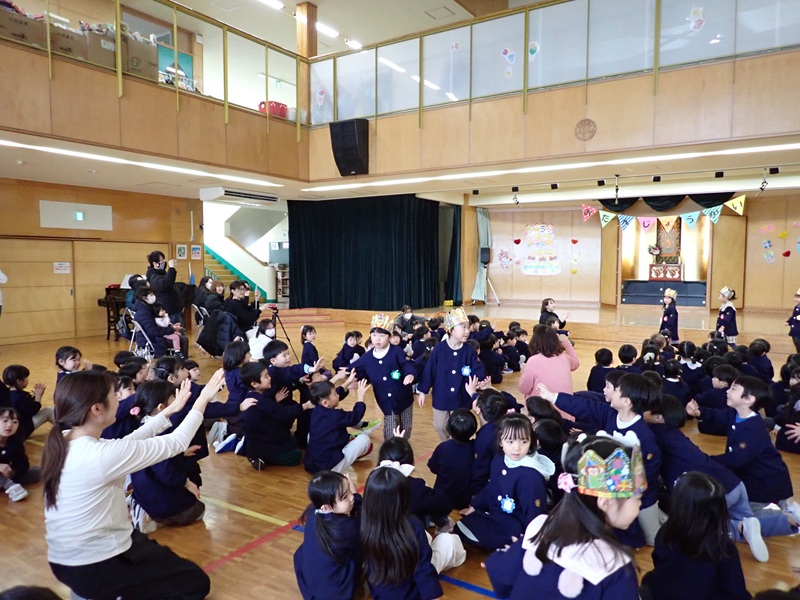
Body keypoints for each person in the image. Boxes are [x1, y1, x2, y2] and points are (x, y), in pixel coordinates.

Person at [42, 368, 225, 600]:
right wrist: (203, 399)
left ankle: (96, 591)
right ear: (97, 409)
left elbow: (127, 443)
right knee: (196, 583)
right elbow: (177, 442)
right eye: (114, 395)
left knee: (158, 561)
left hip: (66, 562)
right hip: (98, 562)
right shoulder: (98, 455)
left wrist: (168, 411)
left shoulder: (66, 439)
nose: (120, 400)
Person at [484, 435, 643, 599]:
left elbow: (499, 575)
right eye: (637, 498)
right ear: (606, 502)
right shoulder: (615, 567)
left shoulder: (539, 528)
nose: (640, 504)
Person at [537, 374, 664, 546]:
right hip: (612, 491)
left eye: (616, 390)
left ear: (627, 402)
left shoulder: (645, 436)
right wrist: (552, 396)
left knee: (651, 539)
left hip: (640, 494)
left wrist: (629, 495)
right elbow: (585, 407)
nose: (611, 392)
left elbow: (649, 471)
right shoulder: (610, 414)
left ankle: (662, 514)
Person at [687, 376, 800, 524]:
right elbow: (718, 416)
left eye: (733, 389)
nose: (728, 391)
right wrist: (698, 412)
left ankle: (790, 520)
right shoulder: (736, 413)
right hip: (762, 476)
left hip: (764, 480)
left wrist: (706, 460)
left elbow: (735, 459)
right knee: (777, 504)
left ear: (748, 399)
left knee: (754, 515)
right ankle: (791, 511)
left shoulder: (753, 428)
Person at [640, 472, 751, 600]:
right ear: (719, 511)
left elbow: (658, 564)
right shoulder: (724, 548)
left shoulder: (665, 533)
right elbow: (736, 592)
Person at [457, 414, 553, 549]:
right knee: (461, 527)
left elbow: (534, 513)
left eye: (524, 442)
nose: (517, 448)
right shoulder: (499, 458)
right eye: (510, 441)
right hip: (497, 514)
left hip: (516, 525)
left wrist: (527, 543)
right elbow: (492, 486)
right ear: (500, 442)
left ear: (532, 442)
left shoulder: (531, 475)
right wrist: (475, 505)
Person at [128, 379, 206, 533]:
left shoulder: (143, 426)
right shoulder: (160, 432)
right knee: (198, 510)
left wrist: (180, 452)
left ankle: (142, 506)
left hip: (143, 488)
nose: (177, 400)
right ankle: (150, 516)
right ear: (161, 407)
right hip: (157, 494)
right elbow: (167, 473)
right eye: (173, 397)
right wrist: (187, 483)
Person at [360, 466, 444, 600]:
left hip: (381, 594)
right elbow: (423, 567)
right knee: (446, 543)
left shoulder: (362, 523)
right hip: (410, 594)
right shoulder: (412, 525)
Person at [417, 307, 487, 442]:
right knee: (440, 426)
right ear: (450, 330)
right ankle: (447, 444)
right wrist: (423, 391)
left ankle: (457, 445)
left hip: (461, 397)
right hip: (441, 397)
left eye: (468, 327)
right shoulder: (439, 349)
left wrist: (480, 379)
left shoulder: (469, 351)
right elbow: (429, 370)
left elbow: (477, 368)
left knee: (459, 427)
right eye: (463, 327)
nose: (467, 331)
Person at [294, 471, 362, 600]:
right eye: (344, 496)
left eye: (349, 489)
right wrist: (357, 497)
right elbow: (363, 525)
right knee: (363, 544)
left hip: (309, 587)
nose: (351, 497)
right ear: (326, 507)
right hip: (334, 594)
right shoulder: (343, 528)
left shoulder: (312, 511)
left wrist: (350, 494)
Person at [240, 360, 312, 469]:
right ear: (254, 384)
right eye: (266, 376)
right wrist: (306, 405)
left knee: (293, 441)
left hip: (262, 436)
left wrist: (275, 400)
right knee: (297, 456)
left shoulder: (254, 395)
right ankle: (258, 456)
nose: (270, 378)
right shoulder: (260, 401)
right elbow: (283, 413)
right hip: (263, 442)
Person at [304, 379, 374, 474]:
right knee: (364, 439)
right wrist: (360, 397)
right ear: (325, 403)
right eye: (335, 394)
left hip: (311, 466)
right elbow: (355, 417)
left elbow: (334, 397)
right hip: (328, 468)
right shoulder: (336, 415)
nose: (337, 395)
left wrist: (348, 382)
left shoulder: (316, 410)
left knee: (311, 435)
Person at [427, 408, 477, 511]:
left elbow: (433, 468)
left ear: (449, 428)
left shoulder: (443, 448)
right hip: (464, 499)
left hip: (442, 497)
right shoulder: (475, 448)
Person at [518, 325, 580, 398]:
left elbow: (524, 389)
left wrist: (524, 373)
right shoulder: (565, 358)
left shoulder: (533, 360)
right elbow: (575, 363)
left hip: (541, 404)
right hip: (565, 402)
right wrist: (566, 342)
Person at [2, 364, 54, 438]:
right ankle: (67, 427)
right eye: (26, 377)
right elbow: (33, 411)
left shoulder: (8, 394)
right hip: (21, 431)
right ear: (19, 381)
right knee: (48, 411)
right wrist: (38, 397)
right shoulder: (19, 397)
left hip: (11, 428)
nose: (27, 379)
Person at [133, 286, 184, 359]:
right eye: (151, 294)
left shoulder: (144, 308)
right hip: (153, 340)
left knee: (180, 336)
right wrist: (172, 329)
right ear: (144, 298)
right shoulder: (144, 312)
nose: (153, 296)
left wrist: (171, 327)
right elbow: (153, 331)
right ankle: (181, 361)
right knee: (182, 339)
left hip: (149, 337)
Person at [0, 407, 39, 501]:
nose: (10, 425)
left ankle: (8, 482)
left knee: (38, 473)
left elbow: (23, 463)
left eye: (15, 422)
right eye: (5, 421)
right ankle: (9, 485)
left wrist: (13, 472)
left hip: (6, 475)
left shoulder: (15, 442)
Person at [145, 251, 185, 324]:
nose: (164, 262)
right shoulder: (154, 276)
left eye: (164, 259)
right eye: (162, 260)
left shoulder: (161, 274)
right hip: (170, 312)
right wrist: (171, 268)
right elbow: (166, 284)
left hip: (174, 310)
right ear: (155, 264)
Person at [787, 288, 800, 353]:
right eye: (796, 297)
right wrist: (788, 321)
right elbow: (793, 316)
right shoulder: (796, 307)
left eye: (798, 297)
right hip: (795, 330)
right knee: (796, 343)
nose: (796, 299)